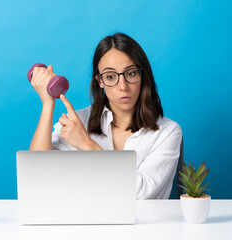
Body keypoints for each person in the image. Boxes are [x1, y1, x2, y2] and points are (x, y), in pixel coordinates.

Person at [29, 33, 182, 199]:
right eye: (110, 76)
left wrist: (87, 145)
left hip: (144, 224)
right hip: (86, 222)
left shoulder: (168, 132)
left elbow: (141, 195)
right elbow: (36, 177)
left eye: (130, 74)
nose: (123, 86)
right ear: (99, 81)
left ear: (142, 75)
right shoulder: (78, 122)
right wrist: (47, 104)